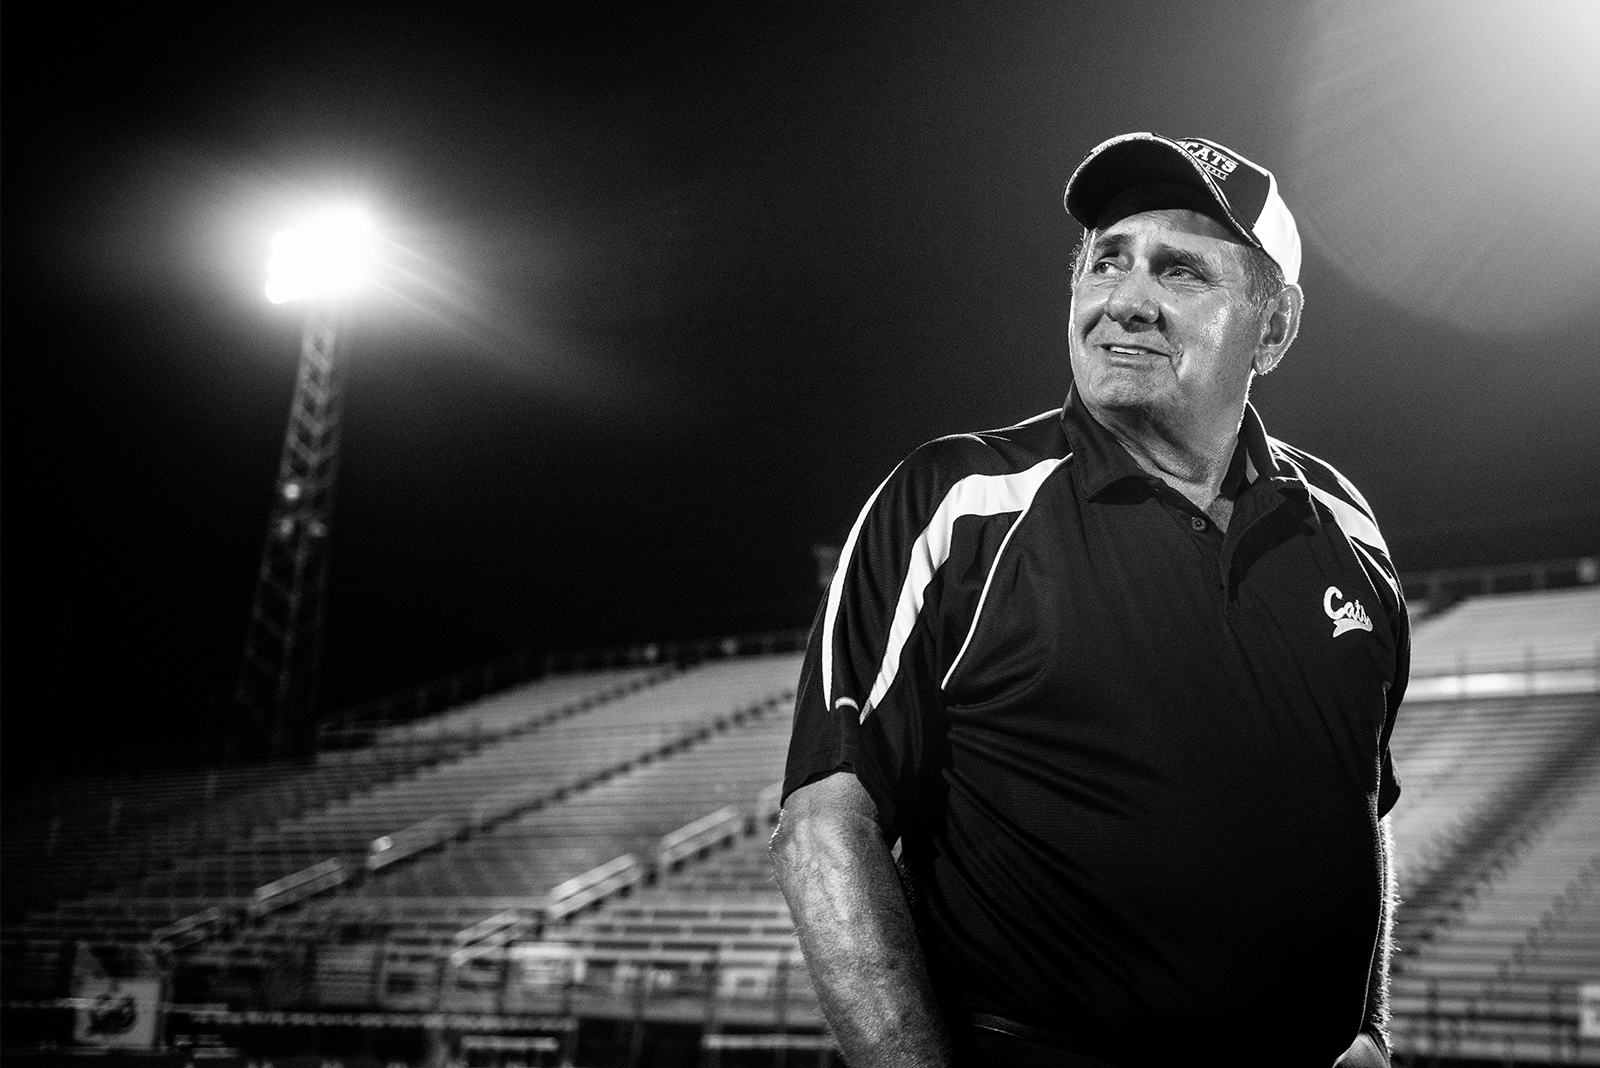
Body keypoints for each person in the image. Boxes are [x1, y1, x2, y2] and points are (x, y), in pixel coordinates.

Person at [770, 132, 1408, 1067]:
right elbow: (824, 823)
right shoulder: (958, 502)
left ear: (1273, 328)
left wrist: (1373, 1029)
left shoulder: (1346, 531)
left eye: (1182, 272)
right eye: (1107, 260)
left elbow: (1367, 802)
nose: (1128, 300)